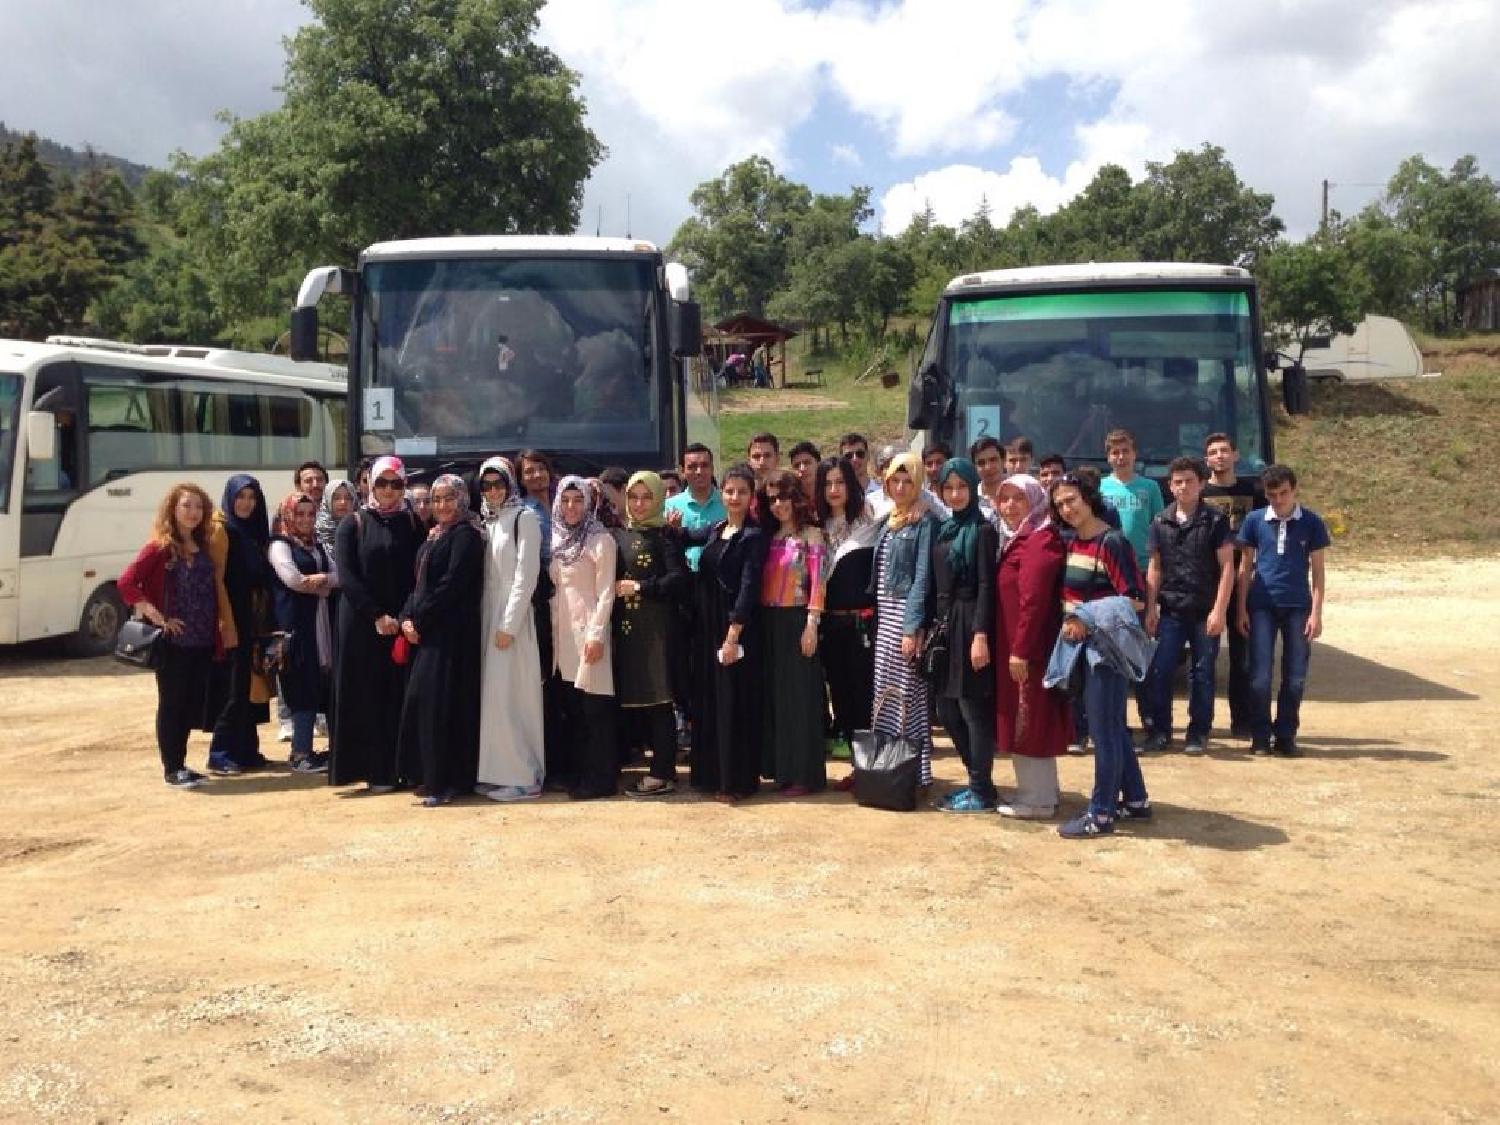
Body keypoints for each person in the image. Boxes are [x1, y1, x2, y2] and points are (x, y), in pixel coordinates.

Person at [1047, 472, 1149, 839]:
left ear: (1089, 497)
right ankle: (1135, 799)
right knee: (1112, 727)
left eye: (1071, 500)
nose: (1067, 508)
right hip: (1083, 649)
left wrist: (1086, 618)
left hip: (1105, 651)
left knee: (1104, 733)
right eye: (1060, 504)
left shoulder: (1112, 542)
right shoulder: (1075, 541)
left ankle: (1101, 814)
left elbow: (1135, 599)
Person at [118, 483, 230, 789]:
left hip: (203, 638)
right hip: (174, 641)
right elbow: (127, 582)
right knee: (172, 703)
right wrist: (157, 617)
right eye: (186, 506)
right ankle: (172, 767)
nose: (193, 512)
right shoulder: (160, 547)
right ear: (173, 509)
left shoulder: (203, 544)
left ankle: (182, 764)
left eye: (198, 507)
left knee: (191, 703)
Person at [332, 456, 423, 792]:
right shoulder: (353, 523)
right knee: (365, 694)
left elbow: (420, 573)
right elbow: (347, 576)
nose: (388, 490)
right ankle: (373, 771)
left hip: (399, 623)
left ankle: (400, 767)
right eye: (381, 483)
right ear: (370, 484)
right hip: (361, 623)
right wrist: (376, 615)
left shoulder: (412, 523)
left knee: (398, 694)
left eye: (395, 483)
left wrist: (403, 615)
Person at [397, 474, 485, 806]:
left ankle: (446, 781)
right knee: (425, 702)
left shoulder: (466, 536)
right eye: (437, 500)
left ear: (462, 499)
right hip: (430, 632)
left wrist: (419, 619)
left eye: (449, 498)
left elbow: (452, 585)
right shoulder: (436, 535)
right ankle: (429, 775)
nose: (443, 505)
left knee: (443, 705)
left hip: (452, 636)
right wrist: (406, 617)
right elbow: (419, 583)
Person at [1142, 457, 1234, 756]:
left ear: (1202, 484)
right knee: (1160, 670)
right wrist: (1151, 607)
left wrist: (1219, 610)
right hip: (1171, 610)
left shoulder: (1216, 520)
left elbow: (1228, 567)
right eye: (1177, 482)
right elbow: (1155, 567)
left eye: (1189, 481)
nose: (1183, 487)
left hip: (1204, 610)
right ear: (1170, 486)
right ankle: (1160, 732)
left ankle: (1198, 733)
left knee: (1202, 673)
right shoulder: (1160, 521)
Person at [1236, 464, 1329, 758]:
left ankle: (1286, 735)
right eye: (1272, 494)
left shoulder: (1312, 522)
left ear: (1294, 489)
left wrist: (1316, 613)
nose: (1278, 500)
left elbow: (1318, 572)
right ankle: (1260, 735)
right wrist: (1241, 608)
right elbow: (1244, 568)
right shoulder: (1254, 520)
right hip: (1261, 605)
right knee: (1260, 675)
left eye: (1283, 493)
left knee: (1295, 675)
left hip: (1298, 606)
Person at [687, 464, 767, 802]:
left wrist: (733, 634)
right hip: (708, 625)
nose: (735, 497)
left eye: (742, 492)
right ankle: (710, 775)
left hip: (735, 626)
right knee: (711, 699)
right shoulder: (717, 529)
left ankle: (735, 781)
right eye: (730, 491)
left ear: (751, 497)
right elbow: (689, 538)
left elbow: (749, 588)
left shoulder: (754, 536)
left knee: (734, 701)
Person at [993, 474, 1071, 818]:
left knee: (1029, 718)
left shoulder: (1039, 540)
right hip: (1017, 644)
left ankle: (1036, 799)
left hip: (1028, 649)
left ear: (1036, 501)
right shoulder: (1019, 537)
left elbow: (1033, 602)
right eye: (1004, 498)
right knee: (1025, 714)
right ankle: (1042, 791)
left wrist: (1021, 650)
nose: (1010, 506)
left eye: (1019, 499)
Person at [929, 459, 1000, 812]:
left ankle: (981, 790)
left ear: (972, 488)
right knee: (945, 708)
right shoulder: (945, 529)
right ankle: (976, 779)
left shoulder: (982, 530)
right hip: (946, 624)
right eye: (949, 487)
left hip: (971, 622)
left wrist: (981, 634)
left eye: (962, 487)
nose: (955, 494)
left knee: (973, 708)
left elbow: (987, 585)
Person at [612, 471, 689, 797]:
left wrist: (641, 586)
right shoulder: (620, 534)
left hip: (657, 630)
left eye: (647, 497)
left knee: (659, 700)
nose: (639, 504)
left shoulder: (665, 537)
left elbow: (679, 580)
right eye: (633, 497)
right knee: (635, 698)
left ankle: (662, 772)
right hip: (626, 631)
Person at [475, 457, 546, 801]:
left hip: (511, 618)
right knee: (494, 699)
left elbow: (526, 575)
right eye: (486, 485)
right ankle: (498, 771)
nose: (493, 491)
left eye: (498, 483)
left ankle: (525, 775)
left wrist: (509, 624)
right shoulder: (487, 520)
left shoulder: (524, 518)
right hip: (489, 613)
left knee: (514, 696)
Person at [869, 453, 939, 787]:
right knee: (885, 693)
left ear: (918, 483)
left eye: (907, 481)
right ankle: (886, 768)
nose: (900, 487)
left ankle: (911, 774)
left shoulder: (925, 521)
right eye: (894, 481)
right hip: (885, 617)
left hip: (904, 617)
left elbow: (922, 578)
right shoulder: (890, 519)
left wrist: (912, 629)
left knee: (908, 697)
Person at [758, 470, 828, 796]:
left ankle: (804, 774)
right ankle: (782, 768)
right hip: (769, 622)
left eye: (784, 496)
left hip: (798, 620)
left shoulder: (811, 535)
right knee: (778, 698)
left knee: (801, 699)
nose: (778, 504)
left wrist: (812, 624)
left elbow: (818, 583)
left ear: (796, 497)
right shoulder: (769, 536)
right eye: (772, 499)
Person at [550, 476, 620, 799]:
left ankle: (601, 780)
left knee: (596, 711)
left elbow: (606, 593)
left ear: (589, 503)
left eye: (578, 500)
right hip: (563, 636)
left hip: (590, 633)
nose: (571, 507)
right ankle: (579, 774)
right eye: (565, 500)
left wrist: (596, 635)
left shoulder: (601, 540)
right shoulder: (557, 540)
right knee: (574, 710)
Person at [206, 474, 273, 775]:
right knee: (232, 688)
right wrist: (226, 623)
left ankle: (246, 750)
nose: (246, 503)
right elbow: (217, 580)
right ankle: (220, 752)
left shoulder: (253, 532)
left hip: (252, 619)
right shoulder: (222, 530)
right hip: (233, 618)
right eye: (240, 497)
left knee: (249, 686)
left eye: (251, 497)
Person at [815, 456, 878, 775]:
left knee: (864, 696)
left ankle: (870, 770)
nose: (834, 489)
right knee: (840, 697)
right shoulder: (817, 526)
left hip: (863, 624)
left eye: (840, 482)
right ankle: (857, 768)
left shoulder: (870, 516)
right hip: (830, 625)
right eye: (827, 483)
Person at [1202, 432, 1267, 735]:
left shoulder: (1253, 493)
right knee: (1206, 657)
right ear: (1206, 459)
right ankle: (1201, 725)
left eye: (1225, 451)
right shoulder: (1199, 492)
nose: (1220, 456)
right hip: (1209, 584)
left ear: (1236, 455)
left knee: (1243, 658)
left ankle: (1242, 721)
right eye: (1214, 452)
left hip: (1244, 582)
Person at [268, 491, 337, 773]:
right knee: (301, 687)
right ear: (287, 515)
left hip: (320, 624)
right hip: (296, 629)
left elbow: (340, 576)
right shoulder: (279, 545)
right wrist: (324, 585)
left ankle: (326, 751)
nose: (306, 520)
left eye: (311, 514)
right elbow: (293, 580)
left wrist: (322, 579)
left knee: (323, 684)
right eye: (299, 514)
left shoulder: (316, 545)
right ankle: (300, 753)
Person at [1100, 428, 1162, 578]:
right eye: (1115, 453)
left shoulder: (1150, 487)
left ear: (1134, 454)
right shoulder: (1099, 487)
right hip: (1109, 564)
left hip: (1143, 566)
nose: (1121, 457)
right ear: (1108, 457)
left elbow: (1160, 527)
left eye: (1125, 451)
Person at [666, 443, 725, 572]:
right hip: (681, 578)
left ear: (712, 468)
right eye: (692, 467)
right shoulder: (668, 506)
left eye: (704, 465)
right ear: (682, 471)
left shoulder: (727, 504)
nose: (699, 472)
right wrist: (672, 532)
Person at [970, 435, 1005, 527]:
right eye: (981, 463)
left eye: (993, 460)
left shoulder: (1020, 493)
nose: (988, 467)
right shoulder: (970, 500)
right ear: (974, 467)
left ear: (1003, 461)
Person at [839, 432, 880, 497]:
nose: (855, 459)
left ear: (868, 456)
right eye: (848, 456)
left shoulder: (882, 492)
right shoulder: (838, 496)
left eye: (860, 454)